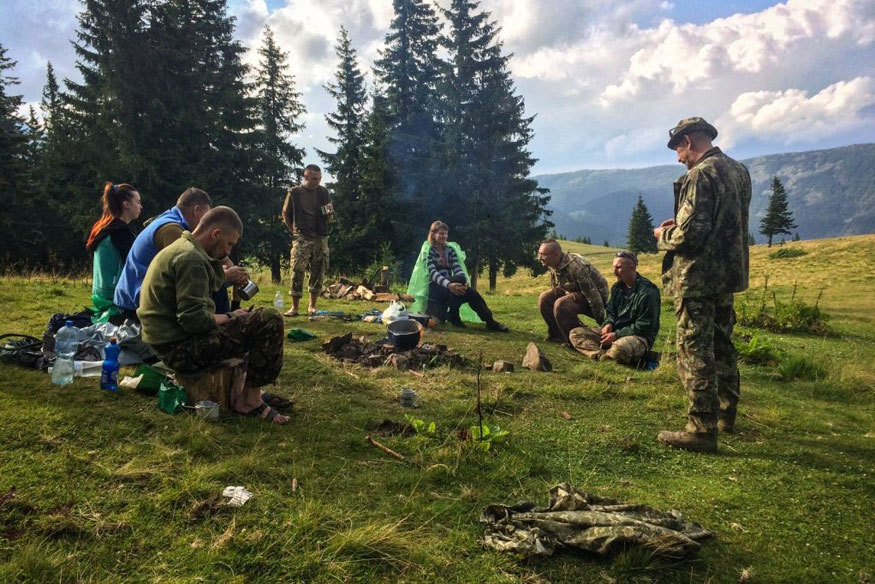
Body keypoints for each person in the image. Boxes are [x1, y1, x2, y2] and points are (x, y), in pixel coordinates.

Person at [653, 117, 751, 453]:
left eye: (678, 149)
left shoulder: (700, 175)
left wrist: (663, 234)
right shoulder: (739, 171)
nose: (679, 157)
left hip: (697, 277)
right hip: (727, 275)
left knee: (694, 349)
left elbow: (690, 234)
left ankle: (701, 428)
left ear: (689, 141)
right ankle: (726, 415)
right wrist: (681, 220)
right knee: (723, 345)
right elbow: (721, 221)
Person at [138, 206, 289, 425]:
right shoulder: (190, 259)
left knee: (249, 320)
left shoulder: (185, 248)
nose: (227, 252)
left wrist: (232, 312)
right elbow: (194, 321)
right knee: (269, 320)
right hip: (178, 350)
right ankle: (249, 400)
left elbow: (197, 302)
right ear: (216, 234)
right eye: (229, 244)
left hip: (169, 342)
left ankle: (245, 389)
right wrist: (230, 317)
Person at [114, 187, 249, 318]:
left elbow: (216, 260)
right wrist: (224, 276)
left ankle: (228, 321)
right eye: (207, 215)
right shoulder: (171, 230)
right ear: (196, 210)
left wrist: (233, 271)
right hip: (135, 301)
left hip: (140, 295)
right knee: (214, 286)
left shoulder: (176, 223)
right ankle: (226, 326)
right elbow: (188, 273)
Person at [408, 221, 508, 332]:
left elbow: (457, 268)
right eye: (441, 233)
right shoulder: (428, 250)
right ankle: (453, 315)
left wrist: (461, 284)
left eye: (446, 233)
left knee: (470, 292)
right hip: (435, 287)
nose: (444, 236)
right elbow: (433, 274)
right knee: (459, 282)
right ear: (433, 234)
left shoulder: (450, 250)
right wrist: (449, 285)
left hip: (450, 285)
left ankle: (490, 322)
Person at [568, 250, 660, 365]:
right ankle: (602, 356)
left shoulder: (648, 292)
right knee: (575, 333)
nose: (614, 272)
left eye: (618, 268)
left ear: (632, 268)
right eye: (613, 267)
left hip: (639, 337)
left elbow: (644, 326)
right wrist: (608, 324)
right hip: (615, 332)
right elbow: (610, 311)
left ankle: (617, 355)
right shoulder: (617, 287)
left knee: (619, 349)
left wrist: (617, 335)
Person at [85, 182, 143, 323]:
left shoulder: (103, 227)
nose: (141, 207)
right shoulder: (121, 233)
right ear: (126, 204)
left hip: (100, 296)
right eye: (138, 202)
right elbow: (137, 267)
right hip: (114, 300)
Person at [282, 164, 333, 317]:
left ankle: (312, 306)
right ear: (305, 177)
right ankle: (294, 307)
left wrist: (328, 215)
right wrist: (293, 231)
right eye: (313, 179)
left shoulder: (324, 193)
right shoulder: (294, 192)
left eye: (319, 178)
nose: (317, 181)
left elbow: (329, 215)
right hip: (302, 236)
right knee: (297, 269)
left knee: (319, 270)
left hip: (320, 235)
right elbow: (285, 213)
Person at [537, 239, 609, 343]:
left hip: (595, 296)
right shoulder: (554, 262)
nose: (540, 258)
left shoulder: (577, 267)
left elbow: (594, 296)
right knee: (544, 298)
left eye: (543, 255)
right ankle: (558, 335)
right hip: (574, 291)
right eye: (539, 254)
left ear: (555, 254)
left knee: (561, 304)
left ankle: (576, 340)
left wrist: (603, 321)